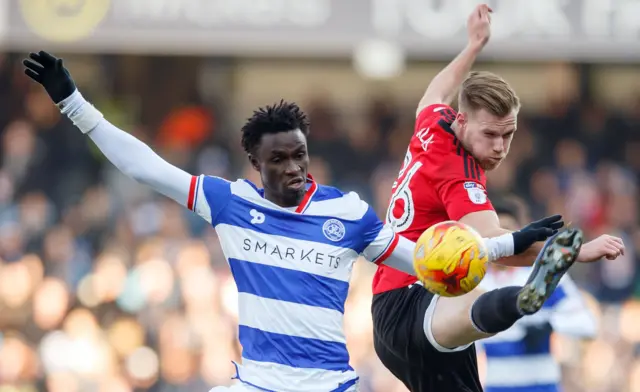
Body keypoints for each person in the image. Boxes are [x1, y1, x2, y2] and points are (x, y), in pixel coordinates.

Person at [23, 51, 564, 392]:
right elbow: (145, 167)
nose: (293, 168)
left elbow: (425, 261)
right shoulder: (230, 204)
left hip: (330, 383)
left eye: (300, 156)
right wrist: (72, 101)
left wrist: (511, 244)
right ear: (256, 165)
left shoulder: (345, 212)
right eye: (279, 160)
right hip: (256, 382)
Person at [372, 4, 625, 392]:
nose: (500, 147)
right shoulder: (460, 175)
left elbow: (435, 89)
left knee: (468, 297)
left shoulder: (432, 123)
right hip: (421, 304)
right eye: (490, 134)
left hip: (390, 310)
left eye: (508, 135)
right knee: (473, 285)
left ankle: (518, 300)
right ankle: (520, 299)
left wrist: (472, 46)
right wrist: (580, 250)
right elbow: (499, 245)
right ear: (462, 121)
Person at [477, 197, 597, 392]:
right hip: (496, 387)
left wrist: (550, 325)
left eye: (506, 232)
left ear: (519, 233)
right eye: (494, 234)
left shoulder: (545, 275)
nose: (500, 241)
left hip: (543, 387)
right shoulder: (477, 284)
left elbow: (587, 325)